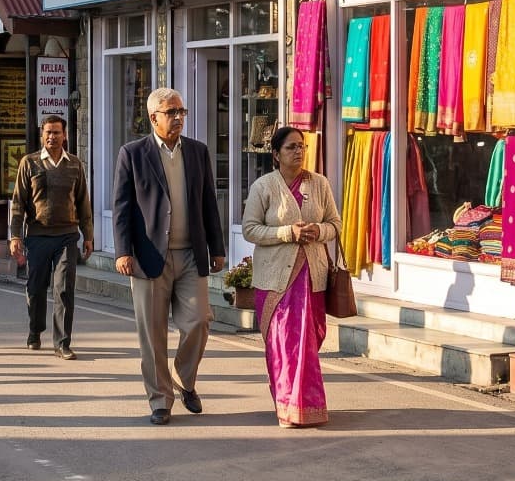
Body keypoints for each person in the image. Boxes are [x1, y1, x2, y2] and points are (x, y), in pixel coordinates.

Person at [112, 88, 226, 425]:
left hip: (191, 253)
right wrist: (122, 251)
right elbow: (122, 206)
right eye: (170, 112)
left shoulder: (197, 152)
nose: (177, 118)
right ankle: (160, 399)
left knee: (199, 321)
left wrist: (217, 248)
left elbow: (208, 201)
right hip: (149, 257)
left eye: (181, 111)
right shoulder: (132, 154)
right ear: (153, 118)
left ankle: (184, 378)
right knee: (153, 332)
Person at [243, 127, 343, 428]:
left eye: (302, 146)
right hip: (276, 280)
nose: (298, 152)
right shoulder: (264, 187)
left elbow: (335, 223)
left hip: (312, 277)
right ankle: (288, 406)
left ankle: (309, 405)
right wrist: (288, 233)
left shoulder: (319, 183)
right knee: (283, 343)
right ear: (275, 154)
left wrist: (319, 231)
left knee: (307, 344)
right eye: (290, 147)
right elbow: (250, 229)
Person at [9, 115, 94, 360]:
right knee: (35, 288)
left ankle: (62, 342)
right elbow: (18, 204)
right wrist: (15, 235)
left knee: (64, 289)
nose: (52, 137)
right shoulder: (30, 163)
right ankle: (35, 331)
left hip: (67, 236)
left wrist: (87, 235)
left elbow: (83, 203)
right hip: (37, 236)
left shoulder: (74, 165)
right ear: (41, 135)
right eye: (48, 132)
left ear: (64, 135)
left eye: (57, 132)